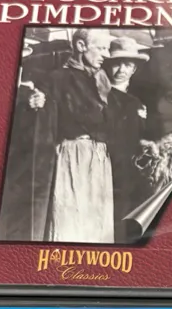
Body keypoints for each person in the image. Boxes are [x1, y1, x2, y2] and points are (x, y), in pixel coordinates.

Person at [28, 28, 115, 244]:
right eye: (101, 48)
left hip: (100, 156)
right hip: (73, 155)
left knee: (97, 220)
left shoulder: (102, 80)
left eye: (107, 49)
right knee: (71, 216)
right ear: (80, 46)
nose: (106, 55)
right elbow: (44, 114)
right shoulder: (57, 78)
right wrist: (35, 102)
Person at [101, 36, 150, 243]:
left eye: (128, 64)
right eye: (117, 63)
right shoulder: (99, 95)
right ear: (107, 65)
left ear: (134, 69)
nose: (122, 69)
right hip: (106, 166)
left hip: (131, 171)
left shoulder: (136, 102)